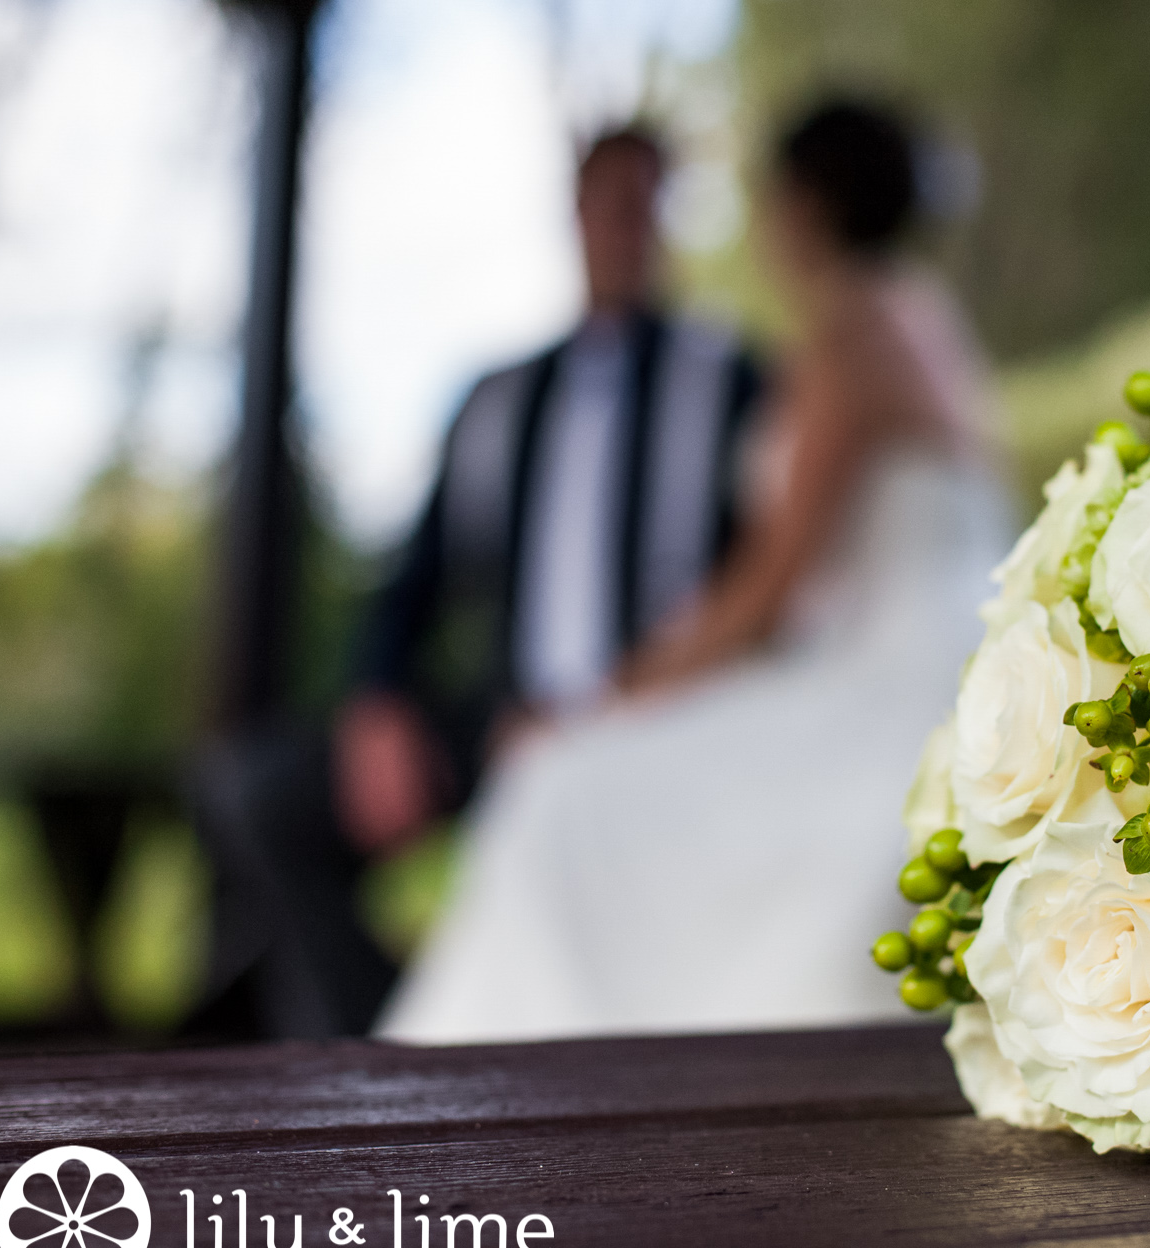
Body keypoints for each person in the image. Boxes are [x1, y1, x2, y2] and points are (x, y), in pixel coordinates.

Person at [378, 100, 1013, 1043]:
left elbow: (765, 595)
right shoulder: (921, 320)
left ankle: (512, 1065)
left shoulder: (844, 340)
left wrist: (613, 691)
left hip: (885, 683)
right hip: (956, 658)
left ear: (801, 206)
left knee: (562, 781)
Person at [188, 126, 765, 1039]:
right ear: (574, 212)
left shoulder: (732, 380)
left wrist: (630, 699)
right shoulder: (495, 398)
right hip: (502, 717)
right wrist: (378, 701)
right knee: (258, 791)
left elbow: (766, 582)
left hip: (668, 720)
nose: (624, 222)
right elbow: (413, 581)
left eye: (643, 201)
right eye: (606, 200)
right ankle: (387, 1042)